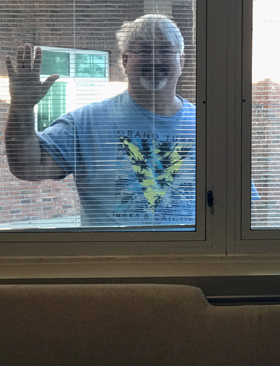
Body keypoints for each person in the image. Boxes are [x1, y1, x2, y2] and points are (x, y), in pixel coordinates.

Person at [4, 14, 258, 228]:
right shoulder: (86, 122)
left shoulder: (212, 128)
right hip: (116, 271)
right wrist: (22, 107)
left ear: (182, 61)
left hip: (191, 264)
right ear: (125, 61)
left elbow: (242, 209)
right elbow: (28, 167)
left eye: (166, 51)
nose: (155, 59)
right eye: (143, 50)